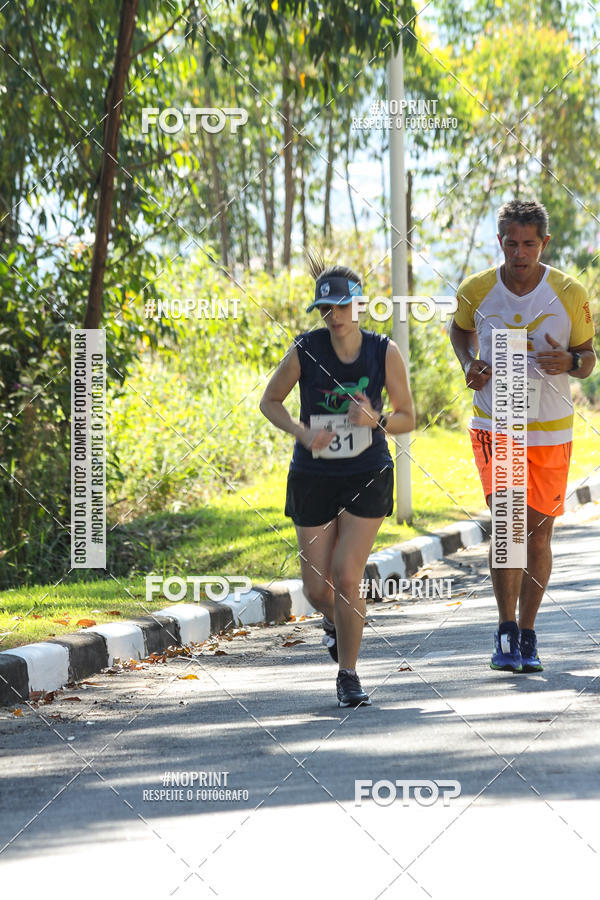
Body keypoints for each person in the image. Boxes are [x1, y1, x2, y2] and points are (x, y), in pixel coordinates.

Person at [260, 252, 415, 706]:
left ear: (359, 305)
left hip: (367, 472)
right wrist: (302, 432)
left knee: (347, 577)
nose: (334, 316)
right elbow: (270, 401)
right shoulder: (306, 350)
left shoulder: (383, 351)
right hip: (313, 474)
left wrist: (377, 418)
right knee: (316, 590)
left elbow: (409, 417)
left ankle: (348, 674)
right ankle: (338, 622)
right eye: (325, 309)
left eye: (342, 306)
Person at [450, 199, 596, 673]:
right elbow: (459, 331)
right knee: (509, 528)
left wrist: (570, 363)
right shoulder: (477, 289)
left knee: (537, 535)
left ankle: (529, 632)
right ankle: (506, 630)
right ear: (500, 242)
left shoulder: (569, 292)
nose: (519, 253)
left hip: (550, 430)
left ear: (544, 244)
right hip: (497, 423)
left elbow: (588, 357)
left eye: (529, 244)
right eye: (511, 243)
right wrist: (469, 363)